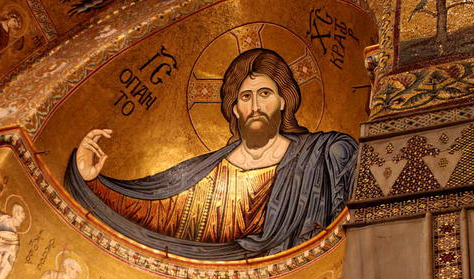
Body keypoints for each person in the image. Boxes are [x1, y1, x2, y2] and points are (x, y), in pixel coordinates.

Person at [65, 48, 358, 260]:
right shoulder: (205, 173)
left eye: (265, 94)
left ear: (283, 101)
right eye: (246, 96)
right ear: (234, 108)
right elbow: (154, 210)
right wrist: (92, 181)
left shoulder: (322, 155)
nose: (255, 105)